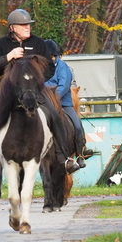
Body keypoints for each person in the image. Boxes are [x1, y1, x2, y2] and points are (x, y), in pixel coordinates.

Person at [0, 9, 80, 180]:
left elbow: (50, 69)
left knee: (55, 115)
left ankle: (64, 157)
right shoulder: (2, 44)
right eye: (23, 25)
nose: (28, 27)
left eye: (28, 24)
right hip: (9, 92)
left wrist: (36, 75)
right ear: (12, 27)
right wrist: (8, 57)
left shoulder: (38, 43)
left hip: (34, 90)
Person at [44, 39, 94, 168]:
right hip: (43, 103)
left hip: (63, 103)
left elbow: (64, 85)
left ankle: (81, 152)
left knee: (76, 125)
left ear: (56, 56)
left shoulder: (63, 67)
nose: (50, 59)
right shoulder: (40, 67)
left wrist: (53, 99)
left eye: (52, 56)